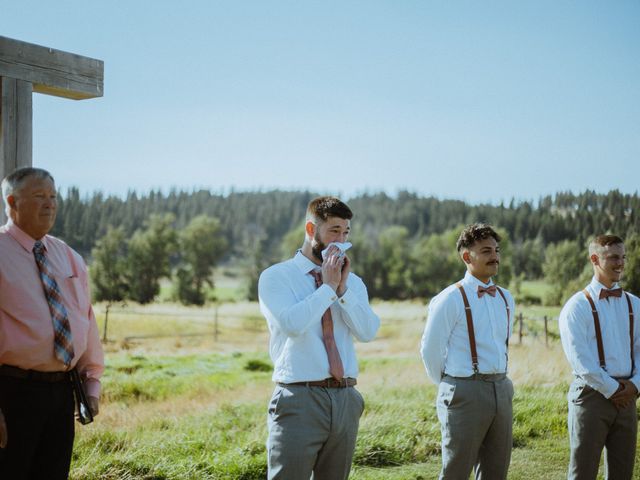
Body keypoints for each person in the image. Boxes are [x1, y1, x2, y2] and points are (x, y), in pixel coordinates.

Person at [258, 195, 380, 480]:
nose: (341, 239)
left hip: (346, 399)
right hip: (299, 398)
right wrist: (326, 289)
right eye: (334, 230)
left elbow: (368, 331)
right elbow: (291, 324)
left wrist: (342, 291)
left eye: (346, 231)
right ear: (311, 230)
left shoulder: (353, 282)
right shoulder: (276, 277)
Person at [0, 167, 104, 479]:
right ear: (12, 202)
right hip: (11, 392)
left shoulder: (69, 257)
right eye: (39, 196)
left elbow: (86, 322)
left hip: (62, 394)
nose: (50, 204)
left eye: (53, 197)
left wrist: (92, 383)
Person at [420, 223, 515, 480]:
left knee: (497, 470)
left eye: (496, 250)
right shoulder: (450, 298)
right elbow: (430, 349)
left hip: (501, 388)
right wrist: (450, 384)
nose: (494, 256)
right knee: (456, 471)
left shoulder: (506, 298)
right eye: (486, 251)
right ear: (466, 256)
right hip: (464, 389)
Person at [559, 234, 640, 480]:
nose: (620, 263)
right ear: (595, 259)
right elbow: (580, 361)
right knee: (582, 472)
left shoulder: (635, 305)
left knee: (622, 472)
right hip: (591, 396)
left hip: (628, 397)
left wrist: (635, 385)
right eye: (613, 257)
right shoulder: (577, 306)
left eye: (623, 257)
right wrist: (613, 389)